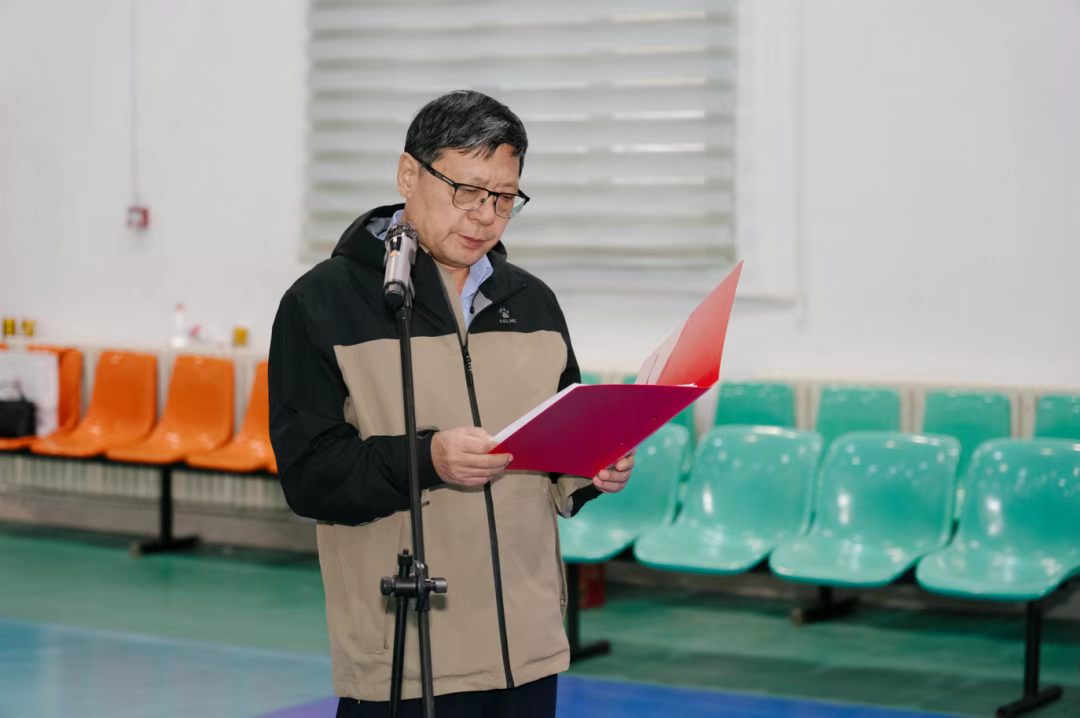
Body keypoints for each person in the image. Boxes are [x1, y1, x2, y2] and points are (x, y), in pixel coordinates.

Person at [268, 90, 635, 718]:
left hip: (527, 647)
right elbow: (311, 477)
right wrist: (428, 458)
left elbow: (555, 447)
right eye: (467, 190)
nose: (485, 216)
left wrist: (592, 465)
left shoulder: (533, 303)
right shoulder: (322, 304)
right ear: (409, 175)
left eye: (504, 198)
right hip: (405, 653)